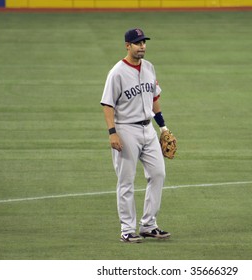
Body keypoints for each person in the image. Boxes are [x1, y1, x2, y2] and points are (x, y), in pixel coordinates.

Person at [100, 28, 171, 243]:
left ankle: (149, 225)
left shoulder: (149, 68)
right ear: (127, 46)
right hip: (126, 129)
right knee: (126, 181)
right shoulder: (117, 72)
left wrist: (163, 128)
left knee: (158, 174)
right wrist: (112, 133)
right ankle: (126, 229)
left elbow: (154, 98)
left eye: (144, 42)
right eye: (137, 43)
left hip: (148, 129)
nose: (142, 46)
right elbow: (107, 104)